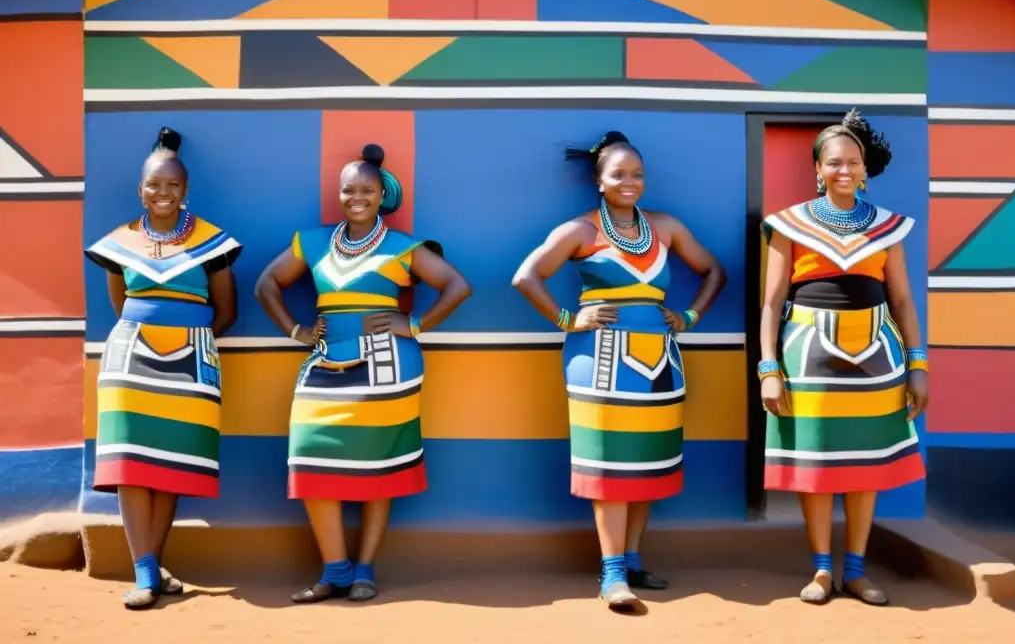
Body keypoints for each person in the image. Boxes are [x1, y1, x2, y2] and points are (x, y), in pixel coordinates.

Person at [511, 131, 727, 609]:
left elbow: (714, 271)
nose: (629, 182)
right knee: (607, 461)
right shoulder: (581, 231)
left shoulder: (666, 227)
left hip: (660, 360)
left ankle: (631, 559)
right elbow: (525, 276)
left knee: (646, 457)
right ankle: (611, 576)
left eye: (637, 175)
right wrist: (568, 319)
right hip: (599, 360)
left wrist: (688, 317)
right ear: (599, 182)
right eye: (619, 175)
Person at [255, 143, 471, 604]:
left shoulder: (402, 247)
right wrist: (297, 330)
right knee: (310, 457)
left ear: (382, 195)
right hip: (325, 359)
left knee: (380, 466)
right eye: (349, 189)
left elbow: (458, 285)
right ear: (339, 193)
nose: (357, 197)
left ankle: (365, 569)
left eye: (367, 190)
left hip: (390, 365)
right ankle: (334, 569)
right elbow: (266, 284)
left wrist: (413, 325)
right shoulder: (309, 241)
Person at [759, 109, 928, 607]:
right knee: (817, 464)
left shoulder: (888, 228)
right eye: (833, 163)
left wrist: (918, 366)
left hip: (878, 356)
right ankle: (821, 570)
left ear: (865, 168)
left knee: (865, 464)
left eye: (852, 162)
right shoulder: (789, 225)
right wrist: (769, 368)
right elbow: (771, 302)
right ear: (817, 169)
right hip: (807, 355)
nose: (844, 171)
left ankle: (856, 569)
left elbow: (902, 300)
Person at [84, 128, 242, 609]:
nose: (163, 193)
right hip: (129, 359)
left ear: (185, 191)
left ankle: (154, 563)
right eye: (154, 184)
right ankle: (146, 572)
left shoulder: (213, 242)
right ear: (140, 189)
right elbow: (121, 304)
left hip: (192, 359)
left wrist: (187, 337)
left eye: (173, 185)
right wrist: (150, 332)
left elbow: (227, 312)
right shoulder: (118, 243)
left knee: (170, 466)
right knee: (131, 466)